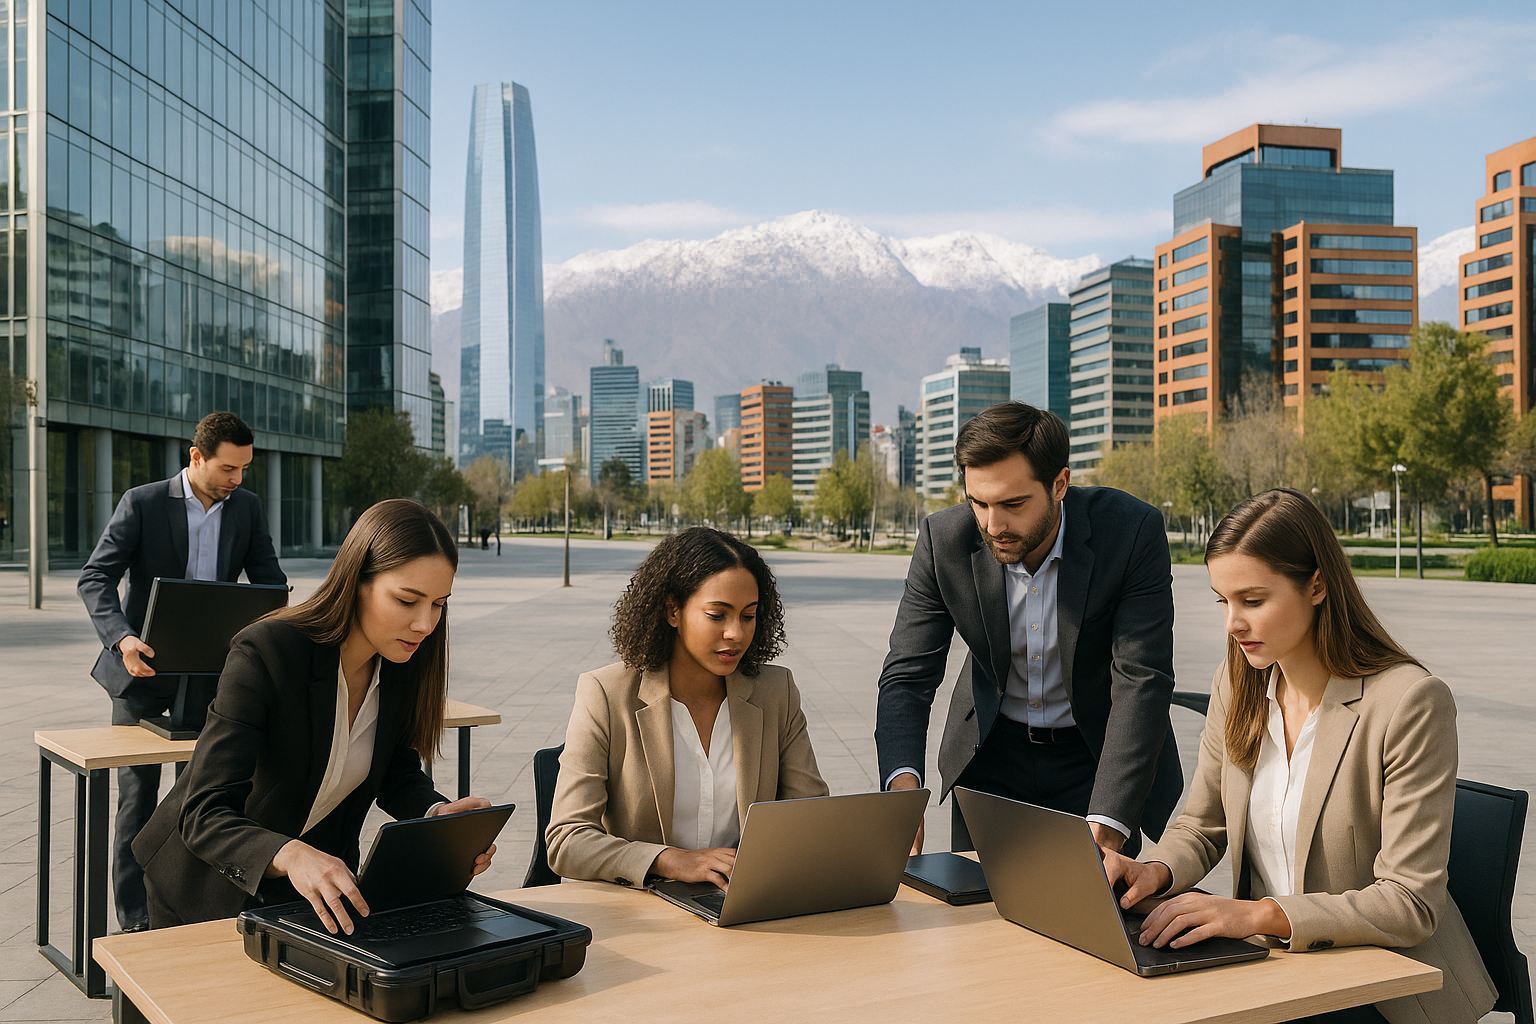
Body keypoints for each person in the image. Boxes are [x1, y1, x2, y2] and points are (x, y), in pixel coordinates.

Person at [1104, 489, 1496, 1024]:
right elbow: (1202, 824)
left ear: (1317, 585)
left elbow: (1410, 904)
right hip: (1274, 973)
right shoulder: (1237, 683)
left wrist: (1258, 914)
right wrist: (1155, 871)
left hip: (1383, 990)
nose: (1233, 624)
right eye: (1224, 601)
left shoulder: (1409, 702)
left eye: (1254, 600)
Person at [133, 499, 497, 933]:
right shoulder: (266, 653)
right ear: (356, 581)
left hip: (310, 889)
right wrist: (291, 854)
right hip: (201, 886)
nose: (424, 624)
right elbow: (204, 812)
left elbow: (394, 769)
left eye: (439, 604)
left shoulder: (402, 661)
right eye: (407, 600)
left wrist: (435, 814)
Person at [876, 401, 1182, 856]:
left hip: (1095, 757)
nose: (992, 525)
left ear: (1060, 483)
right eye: (977, 502)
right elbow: (907, 674)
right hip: (990, 758)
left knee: (1092, 913)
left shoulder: (1131, 531)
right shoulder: (945, 541)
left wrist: (1108, 823)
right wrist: (901, 788)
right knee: (981, 916)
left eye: (1012, 504)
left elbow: (1142, 679)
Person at [76, 411, 286, 933]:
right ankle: (135, 920)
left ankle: (185, 909)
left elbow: (269, 584)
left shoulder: (247, 508)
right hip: (141, 672)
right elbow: (96, 576)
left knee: (202, 797)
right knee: (137, 797)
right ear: (196, 457)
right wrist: (122, 638)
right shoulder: (143, 502)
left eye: (244, 470)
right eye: (228, 469)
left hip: (215, 676)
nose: (237, 480)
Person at [546, 527, 827, 889]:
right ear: (672, 610)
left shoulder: (776, 692)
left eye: (748, 615)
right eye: (717, 615)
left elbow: (812, 817)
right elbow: (567, 840)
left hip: (742, 904)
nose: (736, 634)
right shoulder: (606, 693)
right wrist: (670, 860)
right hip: (642, 914)